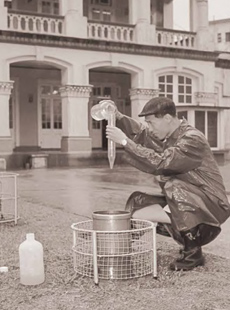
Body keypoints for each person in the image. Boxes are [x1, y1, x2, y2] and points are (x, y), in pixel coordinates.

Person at [106, 96, 230, 271]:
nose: (149, 127)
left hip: (212, 207)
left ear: (167, 118)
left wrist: (125, 142)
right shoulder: (169, 135)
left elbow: (162, 162)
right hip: (191, 202)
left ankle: (192, 253)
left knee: (174, 186)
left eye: (151, 122)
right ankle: (118, 249)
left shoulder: (192, 139)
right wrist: (118, 116)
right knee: (137, 204)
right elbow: (142, 133)